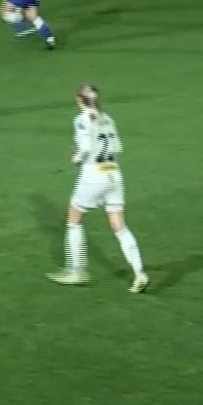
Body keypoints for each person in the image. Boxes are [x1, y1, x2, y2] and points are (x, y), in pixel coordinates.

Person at [48, 84, 149, 293]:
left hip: (94, 176)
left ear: (79, 100)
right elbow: (118, 147)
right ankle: (139, 273)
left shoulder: (82, 119)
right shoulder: (107, 118)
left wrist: (76, 159)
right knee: (119, 226)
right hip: (114, 174)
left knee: (73, 219)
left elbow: (84, 148)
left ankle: (77, 271)